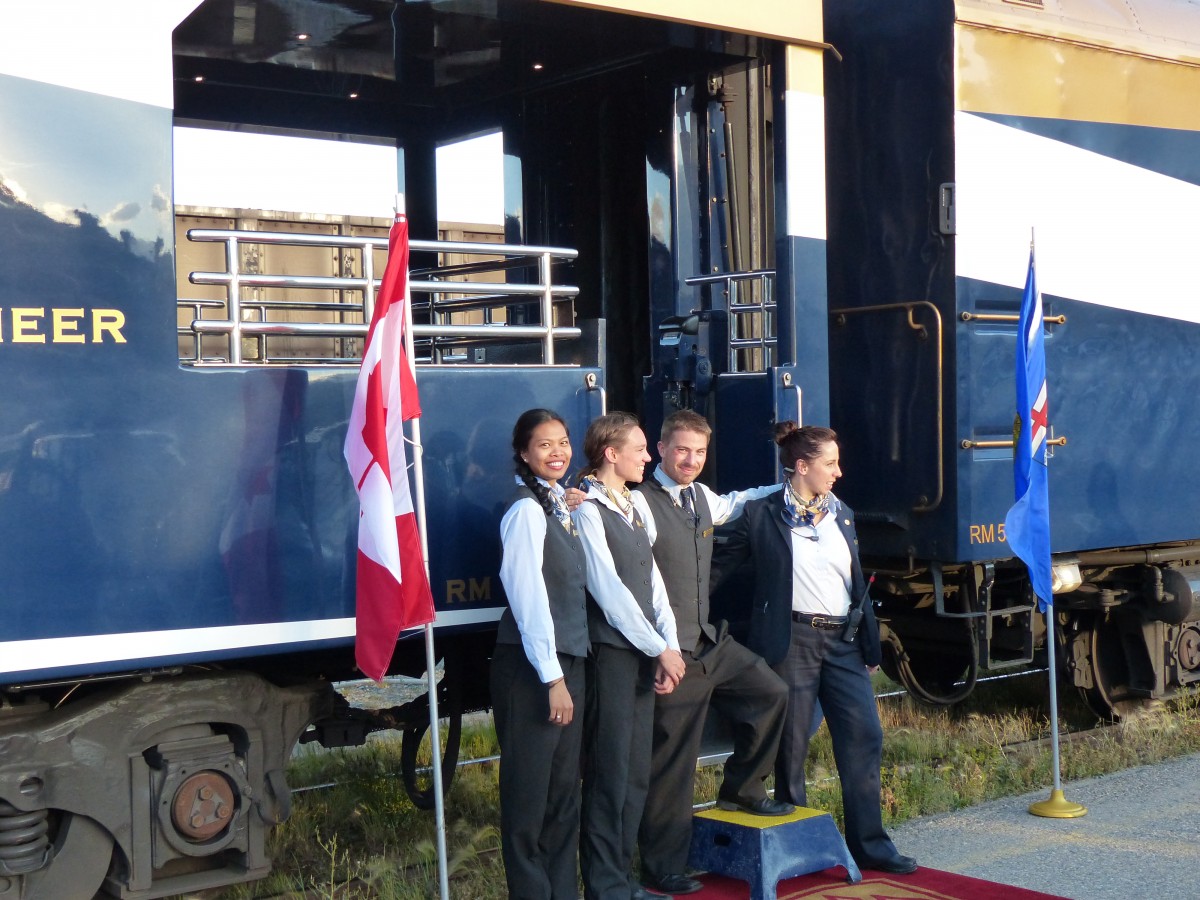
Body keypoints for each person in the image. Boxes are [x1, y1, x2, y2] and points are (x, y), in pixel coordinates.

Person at [712, 422, 918, 876]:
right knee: (792, 747)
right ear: (801, 466)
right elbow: (716, 570)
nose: (838, 472)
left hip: (843, 642)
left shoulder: (840, 511)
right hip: (793, 641)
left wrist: (867, 642)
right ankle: (798, 847)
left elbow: (851, 580)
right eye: (830, 463)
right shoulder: (761, 514)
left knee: (864, 736)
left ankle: (870, 845)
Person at [634, 409, 791, 897]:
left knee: (771, 691)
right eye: (681, 449)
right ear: (660, 449)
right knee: (672, 765)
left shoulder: (701, 497)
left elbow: (738, 502)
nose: (691, 460)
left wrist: (791, 484)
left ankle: (742, 788)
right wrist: (661, 649)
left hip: (709, 641)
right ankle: (661, 865)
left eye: (700, 452)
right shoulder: (638, 503)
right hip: (671, 650)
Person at [573, 412, 687, 900]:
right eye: (639, 449)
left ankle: (621, 876)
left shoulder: (635, 504)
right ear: (610, 453)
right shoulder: (587, 509)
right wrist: (657, 646)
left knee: (635, 770)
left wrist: (671, 644)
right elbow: (608, 590)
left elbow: (653, 581)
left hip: (643, 651)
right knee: (609, 772)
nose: (648, 456)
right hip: (613, 655)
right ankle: (603, 883)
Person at [491, 408, 590, 899]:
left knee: (561, 796)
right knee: (529, 802)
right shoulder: (526, 511)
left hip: (567, 660)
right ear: (525, 453)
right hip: (533, 670)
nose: (557, 453)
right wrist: (553, 680)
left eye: (563, 442)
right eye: (545, 445)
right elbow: (528, 597)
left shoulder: (555, 504)